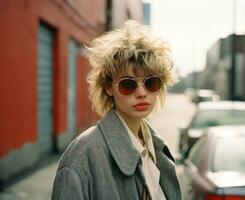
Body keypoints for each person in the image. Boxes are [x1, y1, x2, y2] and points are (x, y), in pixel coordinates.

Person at [51, 20, 181, 200]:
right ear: (108, 87)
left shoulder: (157, 147)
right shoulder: (81, 158)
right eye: (128, 84)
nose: (142, 93)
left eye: (151, 82)